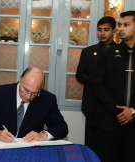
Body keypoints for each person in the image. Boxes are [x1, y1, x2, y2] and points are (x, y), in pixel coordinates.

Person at [0, 67, 68, 142]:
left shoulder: (47, 99)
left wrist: (43, 135)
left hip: (29, 148)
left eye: (34, 93)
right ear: (20, 80)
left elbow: (61, 127)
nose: (28, 97)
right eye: (26, 90)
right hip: (0, 145)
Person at [93, 11, 135, 162]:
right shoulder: (107, 54)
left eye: (126, 25)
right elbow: (99, 85)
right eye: (119, 25)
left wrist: (133, 111)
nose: (120, 29)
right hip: (109, 123)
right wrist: (120, 112)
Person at [75, 16, 116, 148]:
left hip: (113, 106)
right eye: (99, 30)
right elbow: (80, 75)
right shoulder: (88, 51)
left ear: (114, 31)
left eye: (106, 29)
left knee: (111, 146)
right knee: (91, 145)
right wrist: (97, 80)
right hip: (92, 105)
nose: (102, 33)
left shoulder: (121, 52)